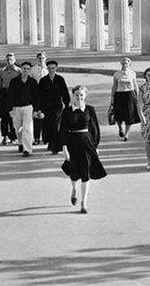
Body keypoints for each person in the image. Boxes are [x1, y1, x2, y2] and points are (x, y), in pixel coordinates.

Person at [59, 85, 106, 213]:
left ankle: (84, 202)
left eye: (81, 95)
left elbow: (95, 129)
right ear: (72, 96)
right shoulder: (67, 111)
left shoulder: (90, 110)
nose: (79, 97)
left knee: (86, 173)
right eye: (76, 95)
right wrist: (64, 147)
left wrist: (95, 146)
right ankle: (74, 189)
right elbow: (63, 130)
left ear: (85, 96)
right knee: (74, 173)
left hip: (87, 143)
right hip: (72, 142)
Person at [7, 61, 41, 156]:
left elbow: (36, 97)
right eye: (24, 68)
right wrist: (9, 109)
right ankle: (21, 142)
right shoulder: (14, 81)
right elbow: (10, 96)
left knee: (27, 128)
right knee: (18, 128)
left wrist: (36, 109)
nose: (25, 70)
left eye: (27, 69)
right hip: (16, 107)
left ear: (30, 71)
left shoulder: (33, 82)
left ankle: (27, 149)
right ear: (21, 69)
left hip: (28, 107)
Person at [38, 59, 71, 155]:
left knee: (56, 125)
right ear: (47, 69)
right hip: (46, 106)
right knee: (47, 125)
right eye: (50, 68)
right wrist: (39, 108)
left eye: (53, 68)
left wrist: (67, 104)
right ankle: (49, 142)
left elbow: (64, 92)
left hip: (57, 107)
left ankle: (55, 146)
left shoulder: (60, 79)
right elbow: (39, 95)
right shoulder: (43, 81)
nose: (51, 70)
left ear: (56, 68)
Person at [109, 57, 140, 141]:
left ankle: (126, 134)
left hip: (129, 94)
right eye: (123, 63)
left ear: (129, 64)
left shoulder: (133, 74)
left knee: (129, 115)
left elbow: (135, 85)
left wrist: (137, 96)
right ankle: (120, 128)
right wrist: (112, 97)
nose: (124, 65)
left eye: (126, 63)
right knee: (119, 114)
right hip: (119, 95)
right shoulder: (117, 74)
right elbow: (114, 86)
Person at [0, 53, 20, 145]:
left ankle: (13, 136)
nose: (9, 61)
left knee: (13, 116)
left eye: (11, 59)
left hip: (14, 94)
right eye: (7, 60)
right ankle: (5, 136)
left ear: (14, 60)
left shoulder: (18, 71)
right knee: (4, 116)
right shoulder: (2, 71)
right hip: (4, 93)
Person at [30, 53, 48, 145]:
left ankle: (45, 138)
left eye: (43, 58)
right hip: (36, 95)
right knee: (36, 117)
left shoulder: (48, 69)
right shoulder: (33, 70)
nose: (41, 60)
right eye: (39, 58)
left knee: (46, 117)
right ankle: (36, 137)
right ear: (37, 59)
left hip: (46, 95)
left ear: (46, 59)